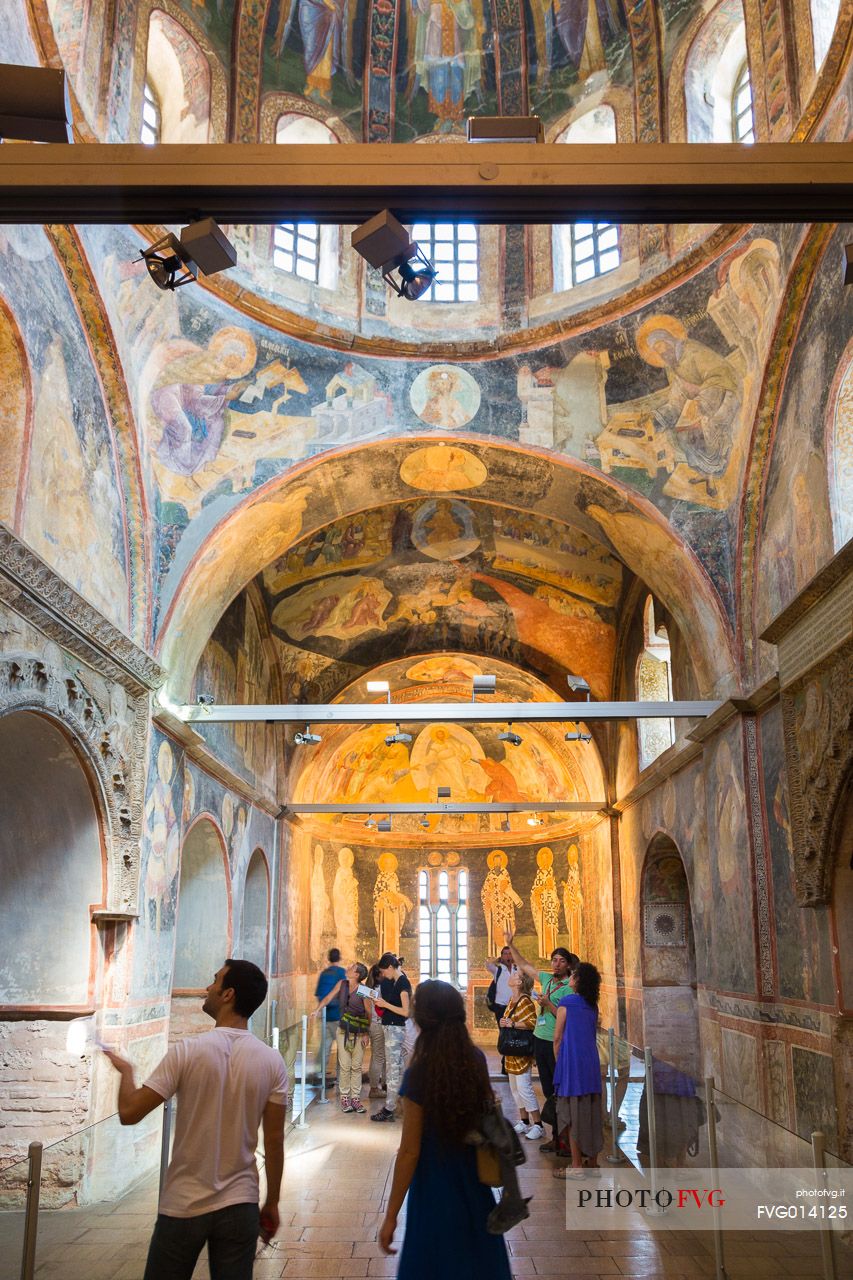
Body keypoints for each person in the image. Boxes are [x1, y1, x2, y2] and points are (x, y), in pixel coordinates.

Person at [103, 959, 287, 1280]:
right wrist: (271, 1202)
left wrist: (127, 1071)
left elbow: (130, 1113)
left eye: (214, 981)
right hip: (240, 1202)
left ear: (228, 994)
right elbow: (274, 1142)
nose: (207, 988)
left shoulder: (187, 1051)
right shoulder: (272, 1061)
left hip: (183, 1203)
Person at [378, 980, 512, 1279]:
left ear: (422, 1019)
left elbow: (410, 1151)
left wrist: (390, 1217)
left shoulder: (419, 1073)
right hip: (474, 1185)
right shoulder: (475, 1059)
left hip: (434, 1189)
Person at [505, 929, 577, 1151]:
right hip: (540, 1040)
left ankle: (564, 1138)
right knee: (547, 1089)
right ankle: (556, 1136)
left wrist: (548, 1005)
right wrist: (511, 944)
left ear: (568, 965)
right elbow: (525, 965)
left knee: (558, 1089)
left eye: (561, 961)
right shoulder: (546, 978)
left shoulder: (570, 987)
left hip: (556, 1040)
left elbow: (566, 1017)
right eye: (554, 960)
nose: (556, 964)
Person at [552, 961, 604, 1180]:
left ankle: (576, 1166)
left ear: (578, 980)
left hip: (572, 1065)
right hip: (590, 1064)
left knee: (573, 1115)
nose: (570, 977)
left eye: (573, 975)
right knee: (591, 1113)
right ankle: (592, 1163)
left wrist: (559, 1062)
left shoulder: (568, 1001)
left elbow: (557, 1037)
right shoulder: (592, 1005)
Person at [313, 960, 372, 1113]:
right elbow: (328, 997)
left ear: (357, 974)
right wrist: (317, 1010)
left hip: (359, 1032)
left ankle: (356, 1099)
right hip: (343, 1031)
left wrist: (366, 1033)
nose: (348, 968)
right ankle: (345, 1098)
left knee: (356, 1066)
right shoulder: (342, 984)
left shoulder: (363, 990)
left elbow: (368, 1012)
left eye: (352, 967)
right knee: (345, 1065)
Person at [499, 969, 542, 1139]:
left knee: (525, 1088)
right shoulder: (512, 999)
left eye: (515, 975)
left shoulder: (525, 1001)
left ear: (519, 982)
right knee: (515, 1089)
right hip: (511, 1050)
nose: (511, 975)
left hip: (521, 1050)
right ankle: (524, 1121)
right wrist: (505, 1022)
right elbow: (509, 1020)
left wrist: (513, 1023)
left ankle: (538, 1125)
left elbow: (532, 1022)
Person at [370, 952, 412, 1122]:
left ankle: (389, 1108)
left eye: (384, 971)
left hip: (395, 1029)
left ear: (390, 967)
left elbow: (405, 1011)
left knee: (393, 1070)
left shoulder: (403, 983)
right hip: (388, 1027)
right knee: (397, 1067)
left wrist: (385, 1004)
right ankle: (399, 1103)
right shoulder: (391, 982)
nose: (383, 975)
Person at [314, 946, 346, 1080]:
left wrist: (320, 1010)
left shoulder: (324, 973)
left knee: (325, 1046)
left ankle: (320, 1074)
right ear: (339, 958)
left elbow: (318, 995)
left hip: (326, 1014)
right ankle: (340, 1077)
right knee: (342, 1047)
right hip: (338, 1015)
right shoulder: (341, 973)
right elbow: (344, 993)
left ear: (328, 958)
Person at [485, 944, 515, 1073]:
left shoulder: (517, 969)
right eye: (505, 954)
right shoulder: (498, 970)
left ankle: (510, 1061)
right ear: (502, 956)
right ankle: (505, 1063)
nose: (508, 956)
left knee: (514, 1034)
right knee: (505, 1034)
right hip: (501, 1008)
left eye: (510, 953)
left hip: (515, 1007)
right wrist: (498, 960)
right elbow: (487, 963)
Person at [366, 962, 387, 1099]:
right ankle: (374, 1088)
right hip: (378, 1024)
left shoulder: (367, 989)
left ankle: (384, 1084)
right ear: (379, 974)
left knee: (380, 1056)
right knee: (379, 1057)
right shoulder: (381, 989)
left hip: (373, 1025)